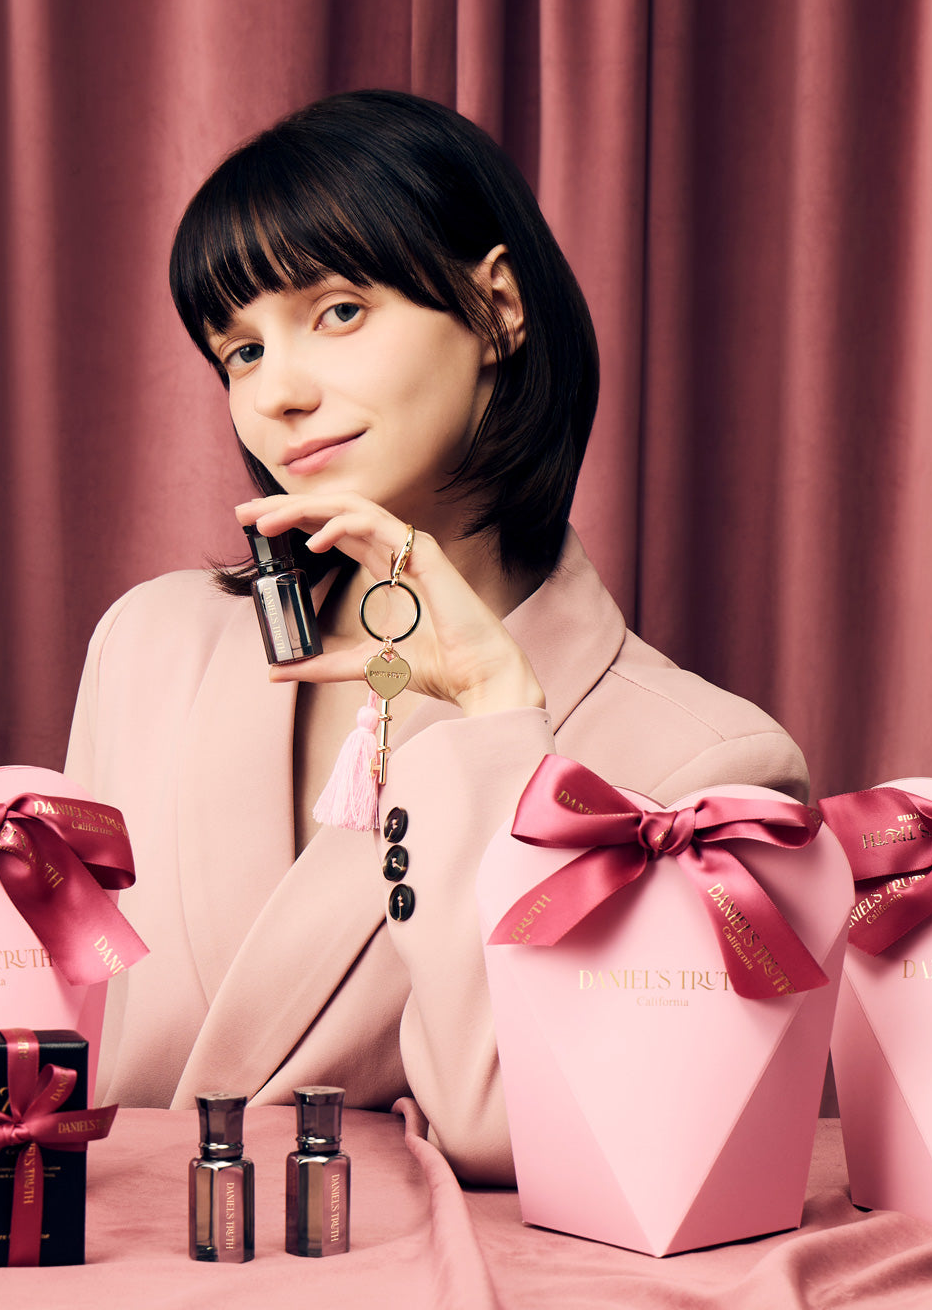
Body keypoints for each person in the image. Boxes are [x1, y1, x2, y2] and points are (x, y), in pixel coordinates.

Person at [61, 90, 806, 1186]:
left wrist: (501, 720)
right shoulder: (150, 645)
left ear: (496, 306)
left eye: (338, 311)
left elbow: (520, 1132)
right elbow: (60, 1028)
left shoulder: (702, 763)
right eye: (239, 350)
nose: (280, 393)